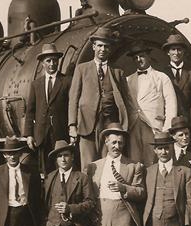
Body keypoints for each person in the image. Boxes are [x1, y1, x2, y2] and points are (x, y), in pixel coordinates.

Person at [68, 27, 130, 168]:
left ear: (110, 49)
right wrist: (72, 125)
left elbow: (126, 100)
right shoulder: (82, 69)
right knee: (88, 166)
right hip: (86, 125)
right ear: (94, 46)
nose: (103, 49)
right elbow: (73, 99)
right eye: (100, 45)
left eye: (106, 46)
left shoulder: (117, 72)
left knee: (108, 164)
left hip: (109, 125)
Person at [124, 42, 177, 165]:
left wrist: (166, 128)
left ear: (148, 56)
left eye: (141, 56)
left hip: (154, 126)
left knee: (152, 160)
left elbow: (171, 104)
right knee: (135, 162)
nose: (138, 60)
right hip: (134, 126)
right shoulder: (128, 80)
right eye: (135, 58)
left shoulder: (161, 77)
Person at [25, 43, 71, 173]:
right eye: (48, 61)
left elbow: (72, 106)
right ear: (42, 63)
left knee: (62, 167)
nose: (52, 64)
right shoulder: (36, 84)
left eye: (55, 60)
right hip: (42, 135)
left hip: (61, 133)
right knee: (45, 170)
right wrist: (29, 135)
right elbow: (30, 111)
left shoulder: (67, 81)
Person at [162, 34, 191, 122]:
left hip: (188, 124)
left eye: (179, 49)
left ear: (184, 51)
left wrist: (188, 120)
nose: (176, 53)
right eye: (173, 49)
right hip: (168, 122)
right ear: (168, 52)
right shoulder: (162, 74)